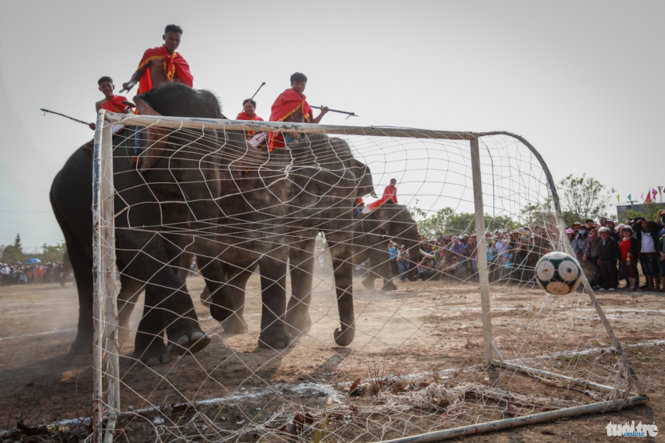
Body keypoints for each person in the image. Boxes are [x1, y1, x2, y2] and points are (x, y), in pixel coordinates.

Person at [122, 24, 193, 95]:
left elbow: (186, 83)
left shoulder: (180, 60)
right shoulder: (151, 53)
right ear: (164, 37)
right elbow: (139, 72)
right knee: (138, 100)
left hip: (172, 98)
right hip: (155, 97)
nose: (174, 42)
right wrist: (130, 83)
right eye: (171, 39)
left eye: (177, 40)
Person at [267, 72, 328, 150]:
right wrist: (292, 133)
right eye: (296, 84)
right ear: (292, 84)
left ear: (305, 86)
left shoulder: (305, 105)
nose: (299, 86)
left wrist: (322, 113)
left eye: (302, 84)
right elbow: (275, 116)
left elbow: (312, 124)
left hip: (303, 137)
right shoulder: (284, 97)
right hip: (289, 136)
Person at [619, 225, 639, 290]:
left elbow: (636, 249)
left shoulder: (633, 240)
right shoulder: (621, 239)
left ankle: (634, 286)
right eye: (624, 231)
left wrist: (630, 252)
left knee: (632, 271)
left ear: (630, 232)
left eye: (628, 231)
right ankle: (630, 285)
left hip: (631, 259)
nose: (626, 232)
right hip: (623, 259)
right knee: (627, 272)